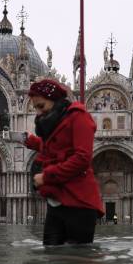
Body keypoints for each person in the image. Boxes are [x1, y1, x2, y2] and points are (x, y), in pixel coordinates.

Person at [24, 79, 104, 245]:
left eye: (41, 106)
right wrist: (31, 141)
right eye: (35, 108)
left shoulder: (79, 117)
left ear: (55, 101)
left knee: (78, 260)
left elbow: (82, 158)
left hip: (79, 202)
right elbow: (58, 148)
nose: (38, 113)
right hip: (58, 200)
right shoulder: (56, 121)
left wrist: (46, 177)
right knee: (51, 255)